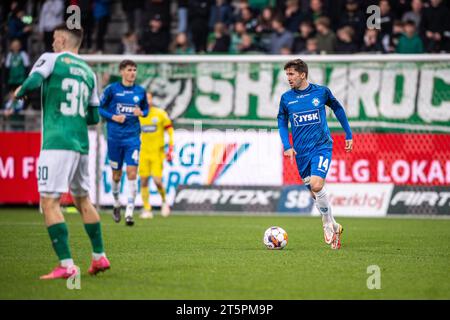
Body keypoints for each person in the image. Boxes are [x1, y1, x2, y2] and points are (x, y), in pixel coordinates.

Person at [13, 24, 110, 279]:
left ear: (64, 40)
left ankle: (66, 265)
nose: (53, 43)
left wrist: (20, 91)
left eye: (55, 39)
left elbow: (34, 79)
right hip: (81, 143)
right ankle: (99, 257)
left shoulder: (51, 59)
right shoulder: (90, 73)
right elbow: (93, 116)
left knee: (49, 201)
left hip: (56, 142)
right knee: (82, 199)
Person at [277, 59, 353, 250]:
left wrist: (348, 133)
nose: (289, 78)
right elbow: (281, 122)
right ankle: (334, 225)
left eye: (292, 74)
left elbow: (337, 108)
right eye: (287, 74)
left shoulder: (321, 92)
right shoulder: (287, 99)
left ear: (303, 74)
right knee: (314, 193)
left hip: (322, 146)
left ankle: (327, 225)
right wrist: (287, 145)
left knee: (317, 185)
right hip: (301, 152)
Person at [99, 60, 149, 226]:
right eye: (129, 70)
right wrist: (113, 117)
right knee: (116, 175)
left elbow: (146, 110)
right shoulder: (112, 89)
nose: (132, 72)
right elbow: (99, 108)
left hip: (132, 138)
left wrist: (141, 112)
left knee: (132, 173)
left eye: (134, 69)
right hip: (114, 138)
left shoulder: (140, 91)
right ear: (122, 72)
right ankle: (116, 203)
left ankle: (129, 211)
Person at [139, 93, 174, 219]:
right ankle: (147, 209)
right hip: (142, 153)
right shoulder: (138, 116)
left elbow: (170, 129)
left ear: (151, 99)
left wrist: (171, 147)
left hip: (156, 153)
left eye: (148, 98)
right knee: (143, 181)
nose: (147, 101)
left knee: (157, 181)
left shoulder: (160, 114)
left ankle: (164, 202)